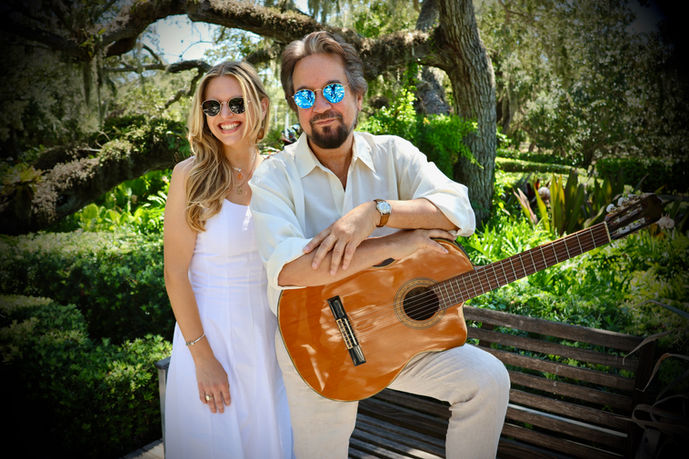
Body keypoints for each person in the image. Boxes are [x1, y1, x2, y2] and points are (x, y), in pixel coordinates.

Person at [249, 31, 510, 459]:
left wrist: (375, 213)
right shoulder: (274, 176)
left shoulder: (393, 154)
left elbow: (459, 211)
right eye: (306, 96)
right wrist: (396, 247)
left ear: (358, 95)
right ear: (295, 107)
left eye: (333, 90)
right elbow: (289, 269)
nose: (321, 105)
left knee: (488, 380)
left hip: (396, 336)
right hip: (313, 342)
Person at [162, 60, 293, 458]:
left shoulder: (282, 173)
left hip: (270, 345)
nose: (225, 115)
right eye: (213, 106)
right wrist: (203, 359)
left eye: (236, 103)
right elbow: (175, 274)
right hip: (209, 340)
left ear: (261, 106)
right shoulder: (189, 175)